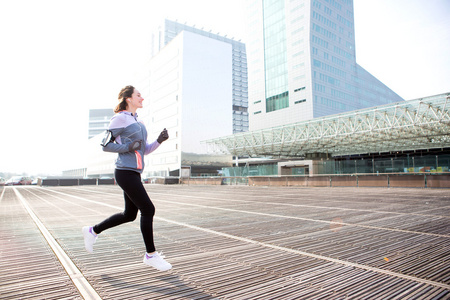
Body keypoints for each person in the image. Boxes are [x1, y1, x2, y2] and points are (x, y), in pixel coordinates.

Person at [82, 85, 172, 271]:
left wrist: (159, 141)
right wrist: (127, 148)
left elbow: (144, 149)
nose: (142, 98)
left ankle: (93, 230)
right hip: (124, 171)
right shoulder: (119, 119)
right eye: (138, 95)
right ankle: (151, 255)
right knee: (148, 209)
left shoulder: (139, 122)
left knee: (129, 215)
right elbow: (105, 145)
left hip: (134, 172)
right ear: (128, 98)